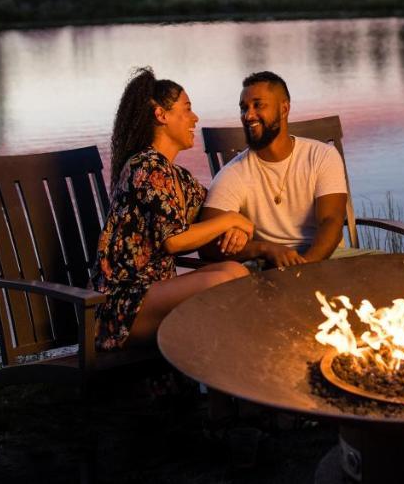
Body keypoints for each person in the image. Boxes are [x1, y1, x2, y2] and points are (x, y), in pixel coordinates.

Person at [91, 67, 255, 349]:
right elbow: (174, 240)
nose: (195, 118)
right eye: (187, 109)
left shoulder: (177, 176)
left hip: (154, 295)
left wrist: (236, 226)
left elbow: (211, 214)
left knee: (234, 272)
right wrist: (231, 220)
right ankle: (232, 374)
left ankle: (231, 373)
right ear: (161, 115)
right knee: (221, 281)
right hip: (119, 307)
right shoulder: (144, 167)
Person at [198, 71, 349, 268]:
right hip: (269, 266)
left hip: (328, 259)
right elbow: (206, 246)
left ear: (284, 108)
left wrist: (306, 267)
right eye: (244, 108)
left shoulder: (322, 156)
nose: (248, 115)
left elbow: (332, 221)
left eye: (258, 105)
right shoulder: (234, 173)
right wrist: (263, 249)